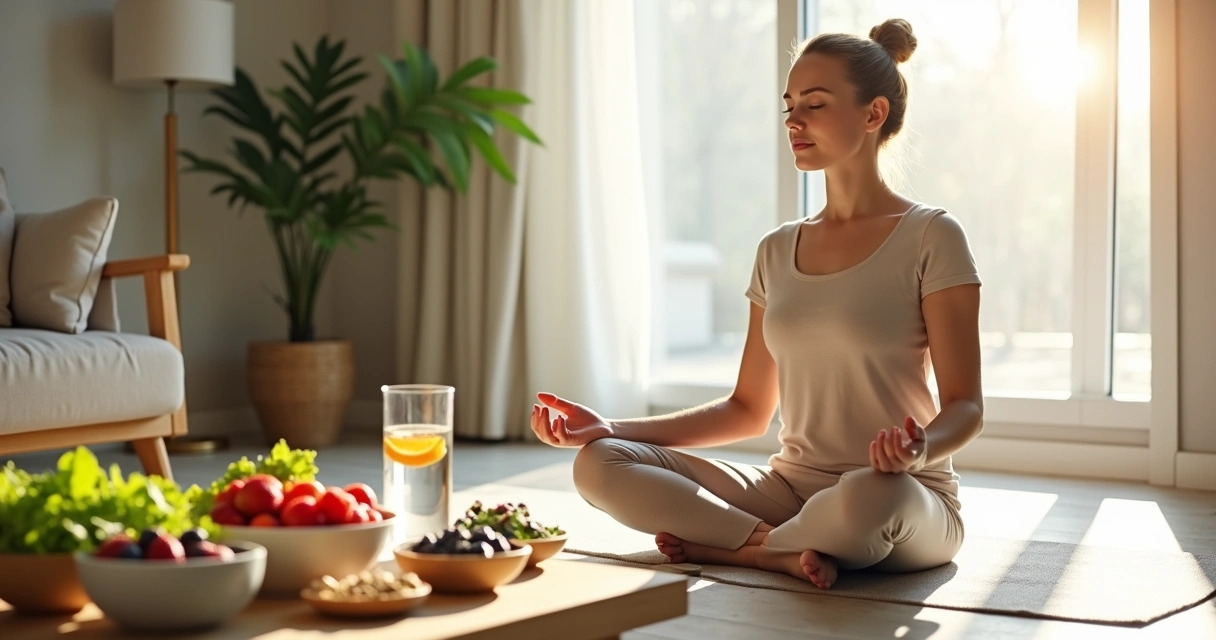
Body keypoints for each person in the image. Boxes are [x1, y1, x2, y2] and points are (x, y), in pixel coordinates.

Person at [529, 18, 983, 590]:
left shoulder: (932, 236)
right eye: (789, 105)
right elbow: (747, 408)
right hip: (787, 492)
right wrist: (610, 426)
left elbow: (966, 406)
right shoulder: (776, 249)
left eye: (815, 105)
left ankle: (734, 545)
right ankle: (767, 549)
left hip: (904, 497)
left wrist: (917, 451)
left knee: (867, 495)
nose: (794, 120)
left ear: (873, 115)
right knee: (600, 464)